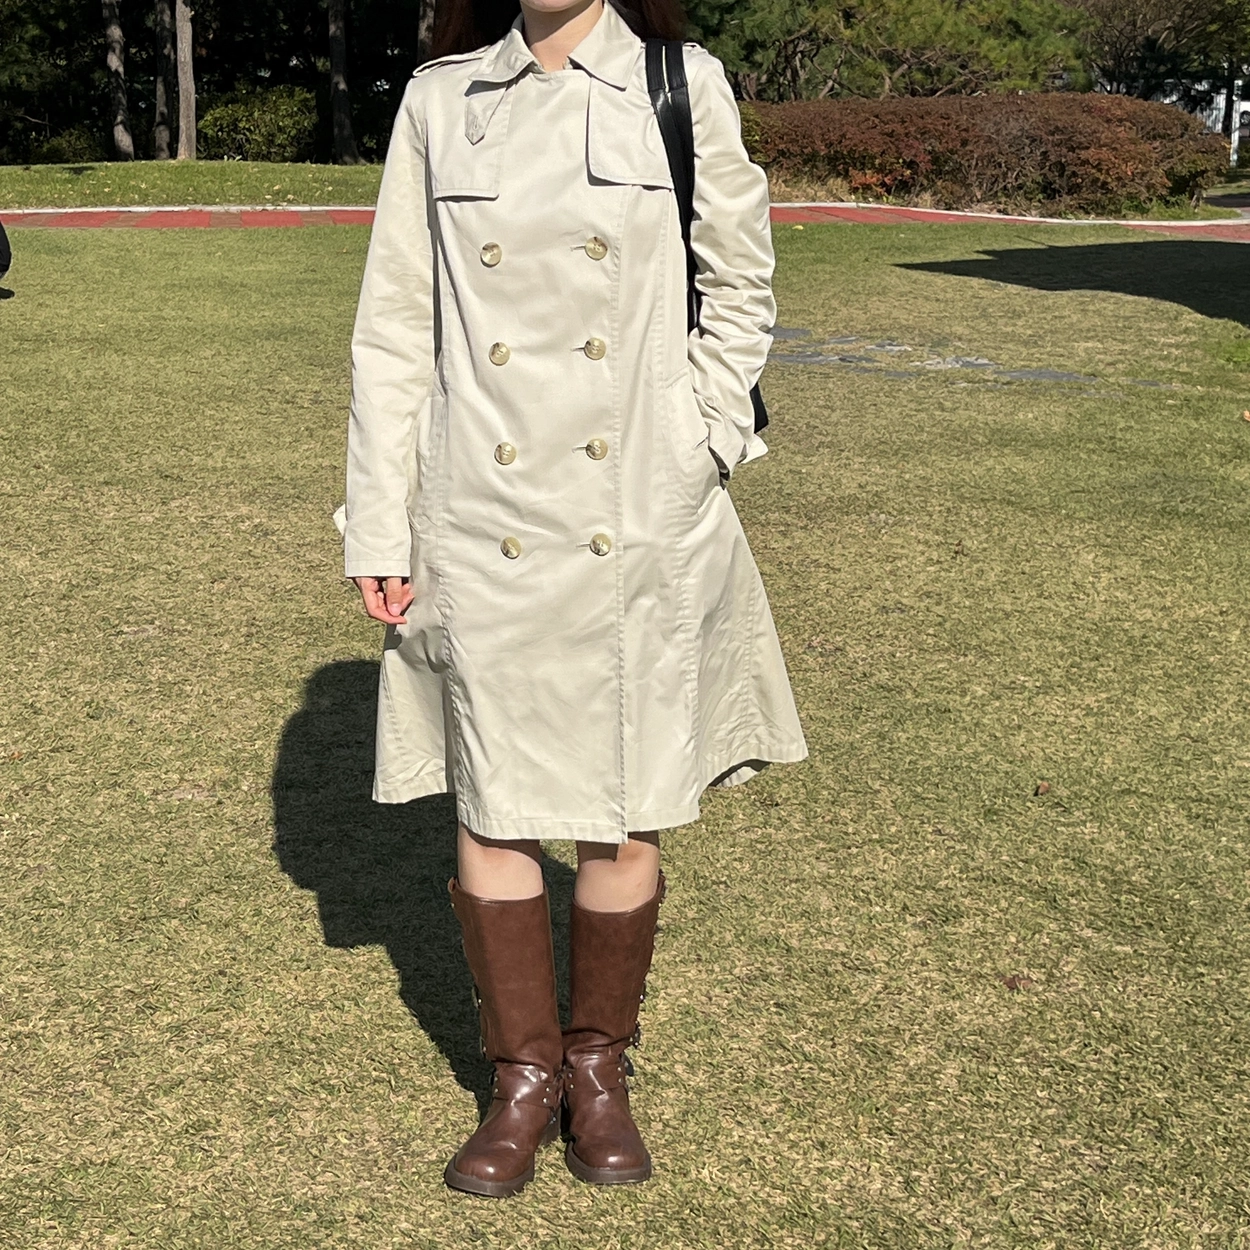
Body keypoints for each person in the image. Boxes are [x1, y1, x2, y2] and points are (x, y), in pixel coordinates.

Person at [343, 0, 807, 1198]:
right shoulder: (441, 98)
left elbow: (739, 282)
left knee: (623, 802)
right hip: (479, 508)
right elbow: (393, 328)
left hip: (635, 505)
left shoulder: (679, 82)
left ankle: (598, 1070)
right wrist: (379, 519)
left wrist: (701, 441)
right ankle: (521, 1077)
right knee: (491, 802)